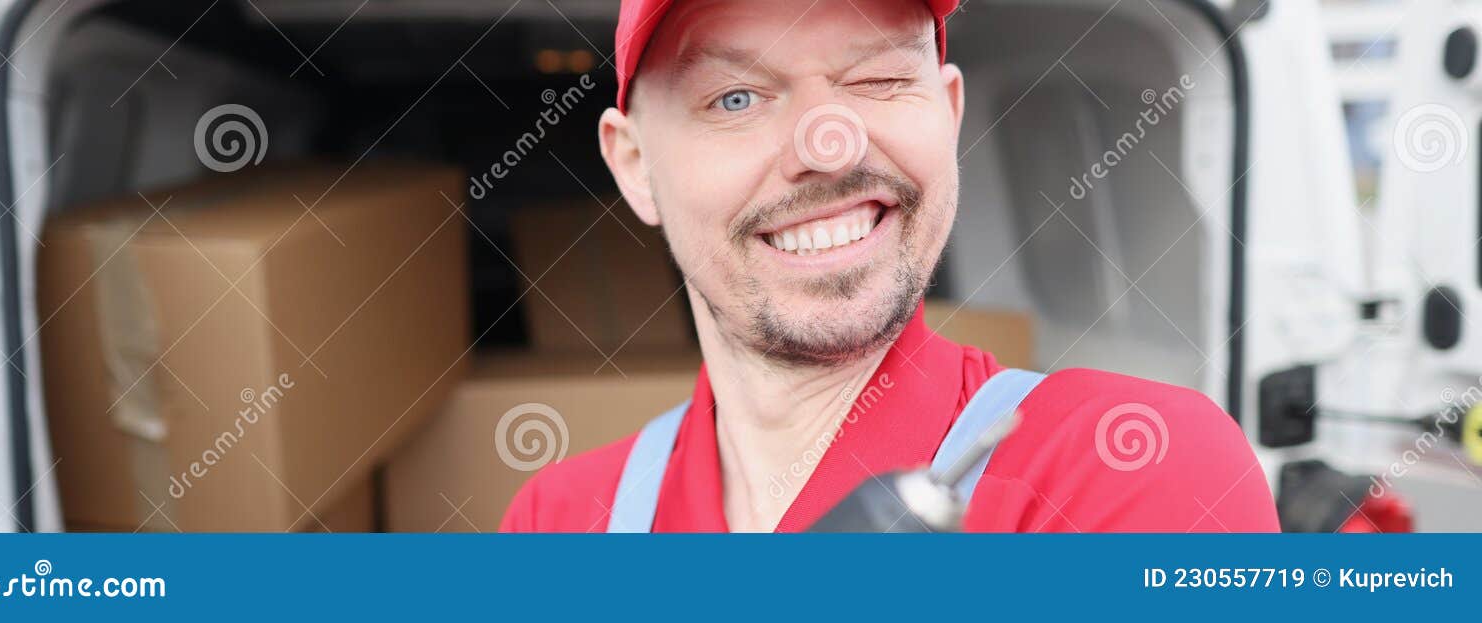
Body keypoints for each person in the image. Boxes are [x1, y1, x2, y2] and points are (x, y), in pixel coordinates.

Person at [501, 0, 1279, 532]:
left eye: (878, 79)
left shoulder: (1126, 465)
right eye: (736, 98)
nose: (825, 146)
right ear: (635, 166)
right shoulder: (562, 517)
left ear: (947, 112)